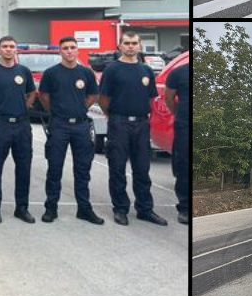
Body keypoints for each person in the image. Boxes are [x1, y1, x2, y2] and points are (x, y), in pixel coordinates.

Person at [100, 31, 166, 227]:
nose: (130, 46)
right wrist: (115, 116)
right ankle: (120, 209)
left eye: (134, 43)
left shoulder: (145, 71)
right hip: (119, 123)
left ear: (139, 46)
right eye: (126, 43)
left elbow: (150, 98)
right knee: (118, 168)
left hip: (140, 124)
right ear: (120, 46)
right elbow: (103, 100)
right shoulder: (112, 70)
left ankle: (145, 209)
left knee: (142, 169)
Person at [39, 36, 103, 225]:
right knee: (54, 169)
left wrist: (81, 108)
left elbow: (93, 95)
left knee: (82, 170)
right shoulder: (51, 73)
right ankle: (51, 208)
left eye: (72, 47)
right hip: (59, 125)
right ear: (60, 51)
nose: (69, 51)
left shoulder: (86, 73)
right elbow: (44, 96)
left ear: (77, 50)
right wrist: (57, 112)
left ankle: (84, 209)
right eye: (65, 48)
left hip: (81, 126)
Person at [0, 35, 36, 224]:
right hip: (0, 124)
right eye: (5, 46)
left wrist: (25, 107)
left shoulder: (24, 71)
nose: (8, 49)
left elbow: (31, 93)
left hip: (22, 125)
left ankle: (22, 208)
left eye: (12, 46)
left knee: (24, 167)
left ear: (16, 50)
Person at [163, 59, 189, 226]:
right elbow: (169, 98)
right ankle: (185, 208)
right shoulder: (177, 73)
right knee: (183, 165)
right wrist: (179, 115)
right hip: (184, 125)